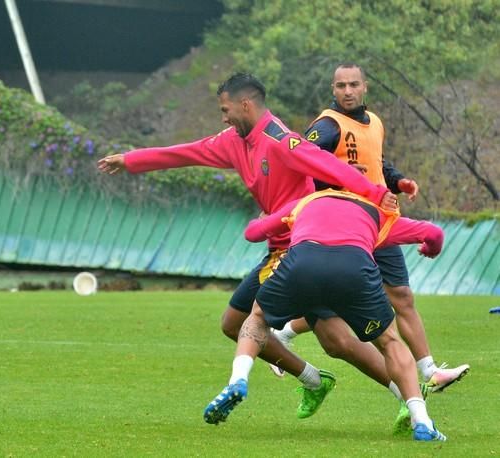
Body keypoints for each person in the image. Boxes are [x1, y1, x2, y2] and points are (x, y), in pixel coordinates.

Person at [98, 72, 397, 419]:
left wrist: (376, 193)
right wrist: (131, 160)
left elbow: (326, 164)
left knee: (323, 338)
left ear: (246, 104)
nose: (223, 117)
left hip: (304, 248)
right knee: (322, 339)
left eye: (226, 109)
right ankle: (323, 381)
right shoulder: (232, 141)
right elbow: (185, 153)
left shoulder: (280, 140)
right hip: (280, 250)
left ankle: (396, 391)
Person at [272, 63, 469, 394]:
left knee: (402, 296)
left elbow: (374, 162)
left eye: (353, 85)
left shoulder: (374, 121)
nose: (347, 91)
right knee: (343, 299)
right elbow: (302, 159)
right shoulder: (327, 125)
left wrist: (398, 180)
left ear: (365, 87)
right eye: (340, 86)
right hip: (343, 227)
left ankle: (430, 370)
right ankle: (281, 335)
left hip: (379, 222)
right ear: (332, 90)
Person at [204, 188, 447, 441]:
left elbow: (254, 232)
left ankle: (238, 379)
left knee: (257, 317)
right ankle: (423, 422)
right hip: (354, 267)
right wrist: (431, 249)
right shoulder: (376, 213)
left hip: (303, 262)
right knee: (389, 341)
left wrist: (260, 220)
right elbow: (434, 233)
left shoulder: (306, 201)